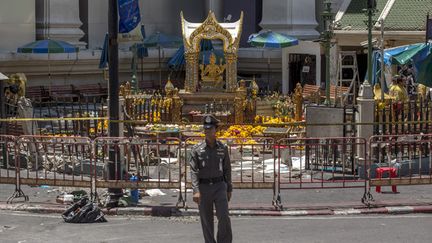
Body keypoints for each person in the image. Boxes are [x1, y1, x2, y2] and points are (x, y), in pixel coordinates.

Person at [189, 114, 232, 243]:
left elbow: (227, 169)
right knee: (206, 220)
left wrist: (229, 188)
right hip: (204, 187)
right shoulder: (197, 150)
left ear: (215, 130)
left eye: (210, 128)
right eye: (205, 128)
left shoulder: (223, 148)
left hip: (219, 186)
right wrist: (196, 190)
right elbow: (193, 171)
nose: (207, 131)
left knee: (224, 217)